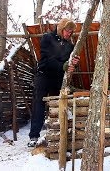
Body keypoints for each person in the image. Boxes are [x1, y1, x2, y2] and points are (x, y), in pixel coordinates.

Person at [28, 18, 80, 147]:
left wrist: (74, 63)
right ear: (61, 29)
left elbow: (69, 65)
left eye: (71, 32)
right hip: (44, 75)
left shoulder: (70, 46)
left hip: (58, 78)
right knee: (39, 103)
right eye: (67, 31)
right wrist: (65, 66)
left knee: (58, 104)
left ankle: (56, 132)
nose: (69, 34)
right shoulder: (47, 38)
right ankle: (34, 136)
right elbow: (48, 59)